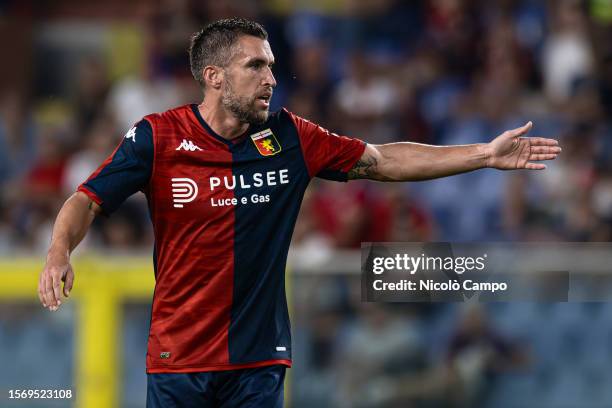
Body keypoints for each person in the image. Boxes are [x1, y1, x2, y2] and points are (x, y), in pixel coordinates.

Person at [37, 18, 561, 408]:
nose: (270, 77)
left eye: (272, 65)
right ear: (215, 77)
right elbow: (86, 199)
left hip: (260, 360)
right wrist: (59, 252)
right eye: (255, 66)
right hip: (179, 359)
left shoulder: (290, 136)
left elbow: (382, 160)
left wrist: (483, 155)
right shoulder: (158, 137)